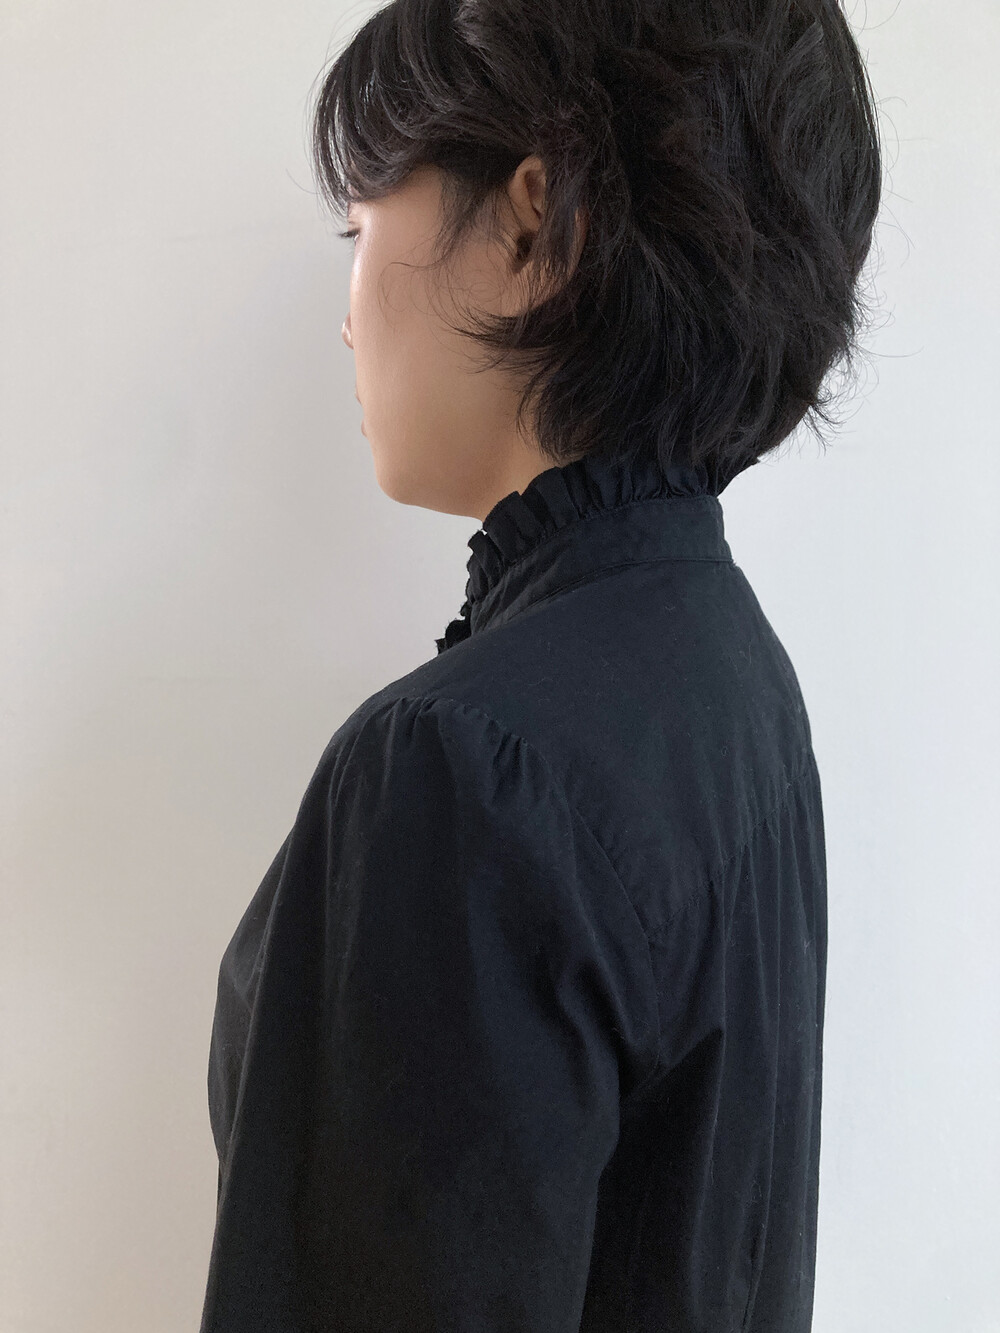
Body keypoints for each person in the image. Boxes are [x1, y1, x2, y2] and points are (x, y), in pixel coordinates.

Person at [198, 1, 882, 1329]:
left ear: (536, 227)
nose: (346, 319)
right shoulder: (732, 673)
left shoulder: (461, 764)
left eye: (360, 227)